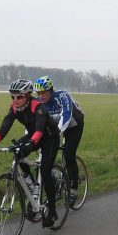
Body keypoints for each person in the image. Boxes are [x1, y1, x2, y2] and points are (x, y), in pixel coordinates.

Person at [0, 79, 60, 228]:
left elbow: (40, 130)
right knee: (16, 149)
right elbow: (4, 128)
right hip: (33, 135)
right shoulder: (15, 108)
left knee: (45, 169)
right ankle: (31, 186)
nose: (15, 100)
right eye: (13, 97)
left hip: (49, 137)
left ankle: (53, 210)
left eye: (20, 97)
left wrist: (31, 144)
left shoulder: (38, 106)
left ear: (28, 95)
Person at [33, 75, 85, 206]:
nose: (41, 96)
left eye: (44, 92)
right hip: (56, 126)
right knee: (46, 156)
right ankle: (55, 179)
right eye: (38, 93)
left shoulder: (62, 96)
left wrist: (56, 134)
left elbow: (66, 116)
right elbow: (36, 124)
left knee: (68, 155)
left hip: (74, 125)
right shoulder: (39, 103)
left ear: (50, 90)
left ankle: (73, 188)